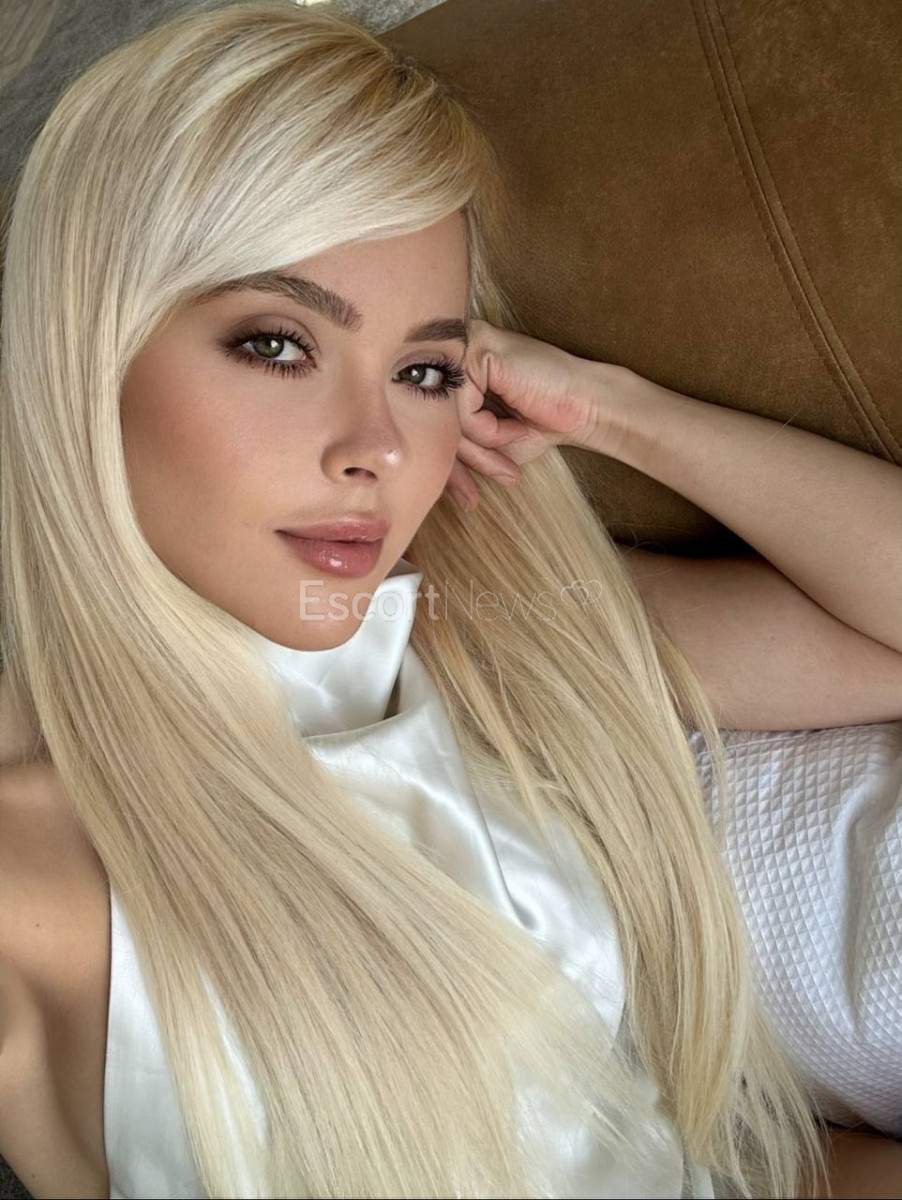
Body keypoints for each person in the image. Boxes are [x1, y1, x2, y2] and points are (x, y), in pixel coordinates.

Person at [5, 0, 901, 1195]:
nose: (375, 446)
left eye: (423, 370)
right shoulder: (33, 868)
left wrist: (619, 414)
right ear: (88, 354)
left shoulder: (480, 641)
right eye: (277, 345)